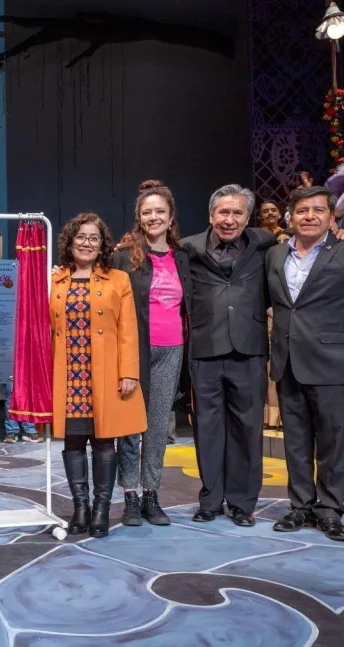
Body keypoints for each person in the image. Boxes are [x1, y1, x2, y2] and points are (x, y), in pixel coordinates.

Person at [267, 185, 344, 541]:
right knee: (296, 442)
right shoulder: (275, 255)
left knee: (332, 442)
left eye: (318, 210)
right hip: (288, 361)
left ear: (331, 216)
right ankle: (300, 506)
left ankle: (330, 510)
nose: (309, 217)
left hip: (334, 362)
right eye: (302, 211)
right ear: (291, 217)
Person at [181, 184, 276, 527]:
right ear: (211, 215)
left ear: (248, 218)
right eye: (223, 212)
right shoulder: (188, 247)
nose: (229, 219)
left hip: (249, 350)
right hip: (205, 349)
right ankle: (210, 501)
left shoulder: (264, 243)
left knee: (247, 429)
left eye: (237, 213)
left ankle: (241, 503)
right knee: (207, 428)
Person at [51, 212, 145, 538]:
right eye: (81, 237)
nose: (87, 243)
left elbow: (128, 330)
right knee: (74, 441)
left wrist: (129, 372)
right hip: (69, 375)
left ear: (102, 244)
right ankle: (81, 508)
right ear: (70, 241)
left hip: (104, 374)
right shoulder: (56, 280)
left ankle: (101, 509)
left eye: (94, 238)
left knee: (105, 442)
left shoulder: (118, 279)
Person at [113, 181, 191, 527]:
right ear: (139, 217)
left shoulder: (184, 257)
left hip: (172, 350)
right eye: (147, 212)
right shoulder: (123, 257)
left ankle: (151, 494)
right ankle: (130, 495)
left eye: (160, 211)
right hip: (135, 352)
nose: (154, 217)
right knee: (131, 428)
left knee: (158, 428)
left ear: (171, 216)